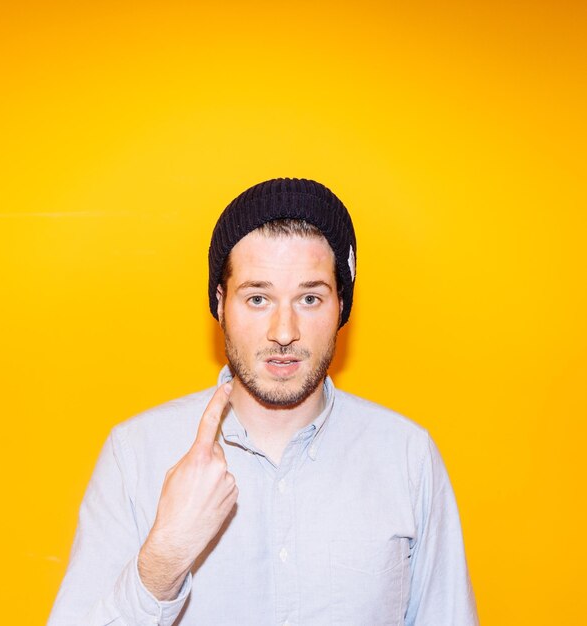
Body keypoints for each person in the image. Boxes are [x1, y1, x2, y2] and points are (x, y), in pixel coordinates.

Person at [48, 178, 479, 625]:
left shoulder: (407, 457)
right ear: (220, 304)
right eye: (258, 298)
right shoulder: (136, 454)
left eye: (310, 298)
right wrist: (164, 558)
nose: (284, 331)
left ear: (341, 308)